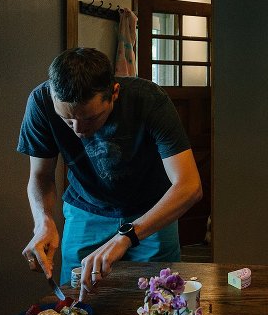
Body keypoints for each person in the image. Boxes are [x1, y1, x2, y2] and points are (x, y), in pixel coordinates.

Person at [17, 47, 202, 297]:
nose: (78, 130)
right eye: (67, 120)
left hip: (152, 210)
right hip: (86, 209)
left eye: (91, 118)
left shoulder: (149, 100)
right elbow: (40, 176)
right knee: (77, 300)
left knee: (161, 302)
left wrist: (126, 236)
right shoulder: (40, 102)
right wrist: (43, 221)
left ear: (114, 93)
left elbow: (189, 186)